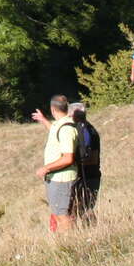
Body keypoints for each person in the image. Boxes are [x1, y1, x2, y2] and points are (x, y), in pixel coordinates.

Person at [32, 94, 78, 233]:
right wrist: (43, 120)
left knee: (62, 216)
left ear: (53, 109)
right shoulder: (61, 124)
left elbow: (68, 158)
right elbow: (54, 130)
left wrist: (46, 168)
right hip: (57, 177)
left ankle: (70, 244)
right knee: (59, 213)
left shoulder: (66, 129)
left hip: (62, 179)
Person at [68, 102, 101, 220]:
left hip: (85, 177)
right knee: (85, 210)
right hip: (92, 175)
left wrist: (72, 165)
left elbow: (90, 157)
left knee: (79, 212)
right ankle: (91, 234)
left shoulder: (83, 130)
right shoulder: (89, 129)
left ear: (73, 115)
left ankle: (87, 235)